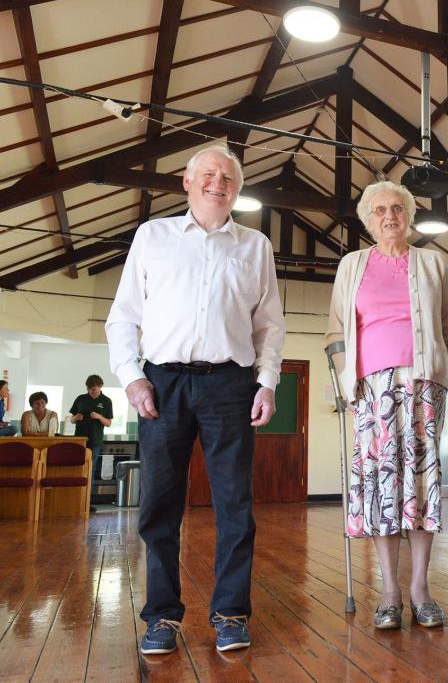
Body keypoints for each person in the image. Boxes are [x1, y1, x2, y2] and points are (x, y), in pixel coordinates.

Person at [106, 144, 285, 655]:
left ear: (238, 189)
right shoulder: (152, 236)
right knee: (159, 505)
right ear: (186, 181)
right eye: (207, 174)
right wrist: (132, 377)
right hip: (161, 383)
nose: (217, 182)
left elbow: (269, 324)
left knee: (235, 505)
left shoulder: (256, 247)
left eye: (227, 177)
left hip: (231, 384)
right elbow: (124, 317)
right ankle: (161, 617)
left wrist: (267, 382)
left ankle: (231, 613)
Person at [325, 180, 448, 630]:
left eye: (397, 208)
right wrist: (349, 383)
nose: (389, 216)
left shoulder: (433, 263)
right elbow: (336, 332)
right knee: (383, 491)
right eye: (379, 209)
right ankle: (389, 591)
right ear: (368, 219)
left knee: (419, 488)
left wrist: (438, 382)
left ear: (409, 215)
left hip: (421, 388)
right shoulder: (351, 265)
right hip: (371, 391)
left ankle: (420, 589)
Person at [69, 375, 112, 478]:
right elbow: (71, 420)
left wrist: (99, 417)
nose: (91, 391)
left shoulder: (106, 401)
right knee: (77, 467)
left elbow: (108, 423)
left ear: (100, 386)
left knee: (90, 469)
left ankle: (88, 494)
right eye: (89, 389)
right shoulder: (80, 399)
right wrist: (76, 417)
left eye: (93, 389)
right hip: (79, 439)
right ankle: (78, 493)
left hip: (95, 440)